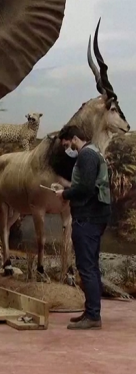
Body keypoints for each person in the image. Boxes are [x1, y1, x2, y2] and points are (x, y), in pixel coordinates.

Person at [54, 125, 112, 330]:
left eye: (67, 144)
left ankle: (93, 316)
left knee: (87, 267)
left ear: (75, 139)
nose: (67, 149)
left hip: (88, 218)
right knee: (91, 266)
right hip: (95, 217)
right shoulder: (95, 152)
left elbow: (86, 187)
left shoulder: (86, 156)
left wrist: (65, 194)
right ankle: (90, 311)